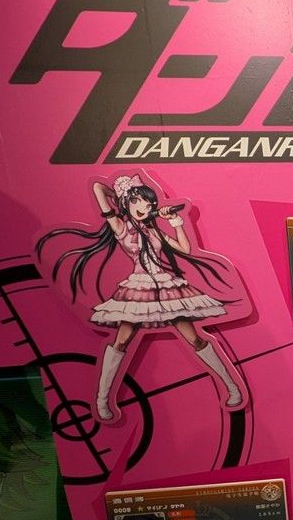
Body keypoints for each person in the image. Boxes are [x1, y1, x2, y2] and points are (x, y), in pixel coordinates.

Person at [35, 174, 244, 422]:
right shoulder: (121, 228)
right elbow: (98, 187)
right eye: (137, 202)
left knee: (195, 339)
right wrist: (121, 194)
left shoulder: (154, 230)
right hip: (138, 289)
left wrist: (175, 221)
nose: (144, 207)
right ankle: (102, 400)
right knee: (121, 340)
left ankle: (232, 388)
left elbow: (185, 249)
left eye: (148, 203)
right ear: (126, 203)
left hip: (165, 288)